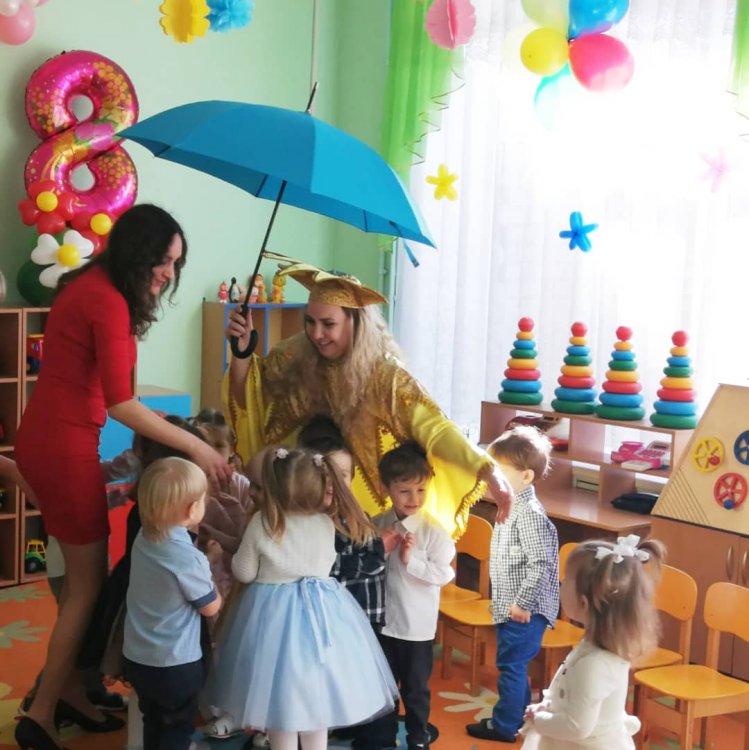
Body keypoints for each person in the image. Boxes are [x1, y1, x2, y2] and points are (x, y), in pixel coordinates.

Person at [13, 204, 232, 750]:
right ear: (138, 253)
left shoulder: (91, 286)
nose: (169, 274)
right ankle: (40, 711)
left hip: (50, 440)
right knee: (87, 588)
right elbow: (121, 404)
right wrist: (196, 446)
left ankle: (72, 689)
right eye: (164, 261)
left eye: (176, 264)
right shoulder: (106, 300)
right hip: (63, 448)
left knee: (80, 586)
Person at [223, 260, 514, 538]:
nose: (316, 334)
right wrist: (241, 352)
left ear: (355, 322)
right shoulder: (293, 357)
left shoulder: (387, 377)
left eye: (328, 324)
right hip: (302, 512)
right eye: (310, 322)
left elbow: (435, 428)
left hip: (364, 522)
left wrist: (487, 469)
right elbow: (251, 397)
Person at [204, 447, 398, 750]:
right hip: (323, 615)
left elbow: (243, 571)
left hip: (271, 618)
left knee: (279, 706)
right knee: (315, 701)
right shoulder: (326, 523)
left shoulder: (263, 522)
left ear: (274, 487)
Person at [519, 536, 664, 750]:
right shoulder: (597, 647)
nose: (561, 583)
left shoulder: (594, 663)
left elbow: (576, 726)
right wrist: (548, 707)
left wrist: (538, 720)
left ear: (583, 603)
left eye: (566, 579)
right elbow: (577, 699)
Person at [466, 425, 560, 743]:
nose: (493, 479)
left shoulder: (529, 514)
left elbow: (542, 563)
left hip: (524, 610)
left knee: (511, 666)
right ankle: (515, 719)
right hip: (512, 606)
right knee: (513, 665)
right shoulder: (512, 505)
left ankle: (505, 726)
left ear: (526, 476)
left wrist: (522, 603)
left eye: (500, 472)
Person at [124, 457, 222, 750]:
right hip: (175, 663)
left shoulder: (144, 537)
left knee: (154, 721)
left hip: (138, 658)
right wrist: (210, 565)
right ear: (192, 510)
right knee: (177, 728)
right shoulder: (188, 558)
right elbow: (210, 606)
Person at [373, 441, 456, 750]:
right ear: (386, 488)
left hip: (415, 628)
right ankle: (382, 737)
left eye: (421, 490)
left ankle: (418, 739)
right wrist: (381, 551)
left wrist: (411, 561)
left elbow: (444, 574)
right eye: (405, 491)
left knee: (415, 689)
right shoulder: (379, 523)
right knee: (383, 684)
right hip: (383, 622)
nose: (414, 499)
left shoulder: (434, 532)